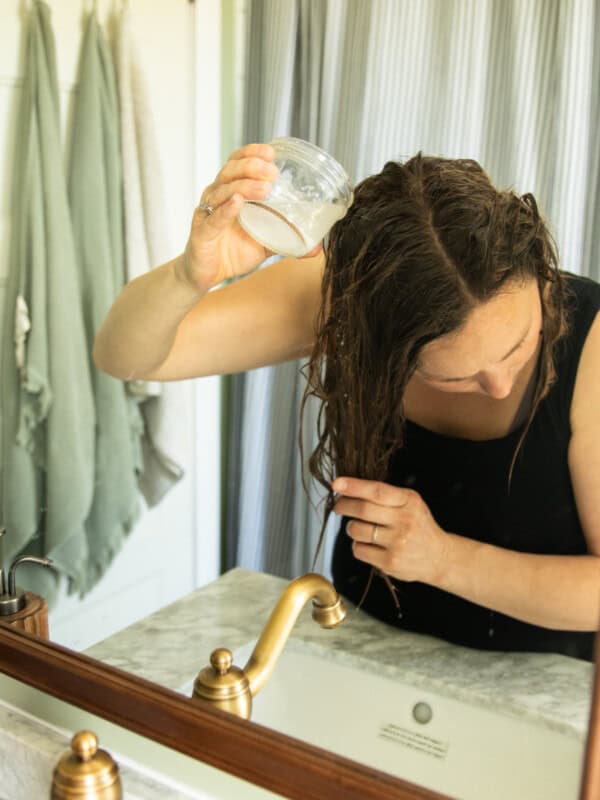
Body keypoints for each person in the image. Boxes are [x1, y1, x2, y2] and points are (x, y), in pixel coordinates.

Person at [94, 144, 600, 661]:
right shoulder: (349, 298)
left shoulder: (594, 342)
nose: (498, 384)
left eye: (520, 346)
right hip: (363, 645)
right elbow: (124, 356)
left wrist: (443, 559)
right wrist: (189, 276)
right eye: (455, 376)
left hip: (544, 682)